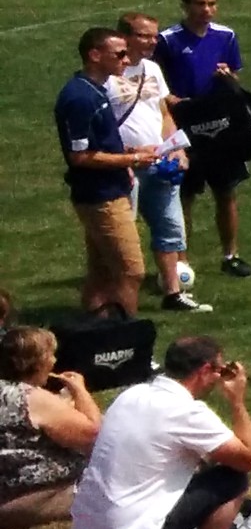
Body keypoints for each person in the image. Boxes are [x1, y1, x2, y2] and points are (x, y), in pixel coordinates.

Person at [69, 336, 251, 529]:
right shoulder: (187, 412)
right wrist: (237, 401)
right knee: (232, 479)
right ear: (205, 370)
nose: (219, 378)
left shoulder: (131, 394)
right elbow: (249, 459)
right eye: (219, 370)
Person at [158, 0, 251, 279]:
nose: (207, 10)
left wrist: (228, 78)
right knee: (184, 195)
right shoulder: (168, 40)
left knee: (226, 191)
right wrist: (176, 102)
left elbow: (235, 78)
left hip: (219, 125)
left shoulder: (225, 36)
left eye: (212, 3)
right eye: (200, 4)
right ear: (185, 6)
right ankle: (180, 259)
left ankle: (231, 255)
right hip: (184, 124)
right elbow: (156, 85)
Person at [110, 12, 203, 312]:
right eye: (144, 35)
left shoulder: (152, 68)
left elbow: (163, 113)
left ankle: (173, 293)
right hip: (126, 164)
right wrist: (123, 154)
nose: (152, 41)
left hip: (159, 162)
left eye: (154, 35)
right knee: (124, 235)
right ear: (124, 37)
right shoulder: (107, 74)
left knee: (170, 227)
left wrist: (177, 148)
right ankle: (118, 299)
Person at [57, 30, 152, 319]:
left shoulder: (96, 89)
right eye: (119, 54)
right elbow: (80, 156)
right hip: (102, 197)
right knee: (130, 272)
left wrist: (129, 150)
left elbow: (99, 143)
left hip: (108, 191)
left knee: (101, 273)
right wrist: (132, 158)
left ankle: (95, 334)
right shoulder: (80, 98)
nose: (127, 59)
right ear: (95, 55)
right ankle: (130, 344)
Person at [0, 321, 104, 529]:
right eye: (50, 355)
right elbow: (95, 436)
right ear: (37, 363)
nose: (54, 360)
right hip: (27, 499)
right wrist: (80, 390)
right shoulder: (33, 398)